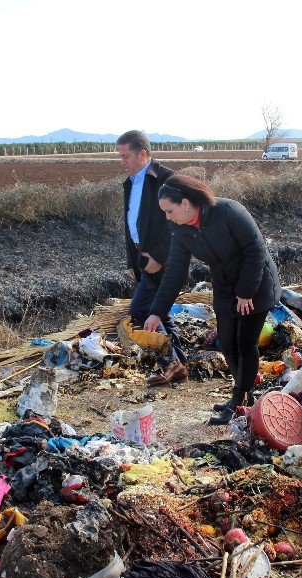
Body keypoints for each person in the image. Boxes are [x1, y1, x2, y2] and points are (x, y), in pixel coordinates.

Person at [143, 174, 281, 425]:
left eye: (169, 210)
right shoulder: (180, 228)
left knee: (245, 343)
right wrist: (156, 311)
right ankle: (243, 395)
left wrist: (246, 292)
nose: (167, 217)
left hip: (256, 282)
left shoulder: (228, 211)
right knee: (227, 343)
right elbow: (175, 271)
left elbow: (255, 249)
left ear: (185, 203)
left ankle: (240, 400)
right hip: (225, 284)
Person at [117, 130, 186, 386]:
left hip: (163, 260)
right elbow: (130, 226)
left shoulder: (168, 180)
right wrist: (131, 263)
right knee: (162, 313)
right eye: (120, 156)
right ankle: (178, 365)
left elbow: (178, 224)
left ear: (143, 154)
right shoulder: (130, 182)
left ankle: (172, 364)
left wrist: (159, 256)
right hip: (142, 259)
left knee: (140, 309)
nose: (121, 161)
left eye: (125, 156)